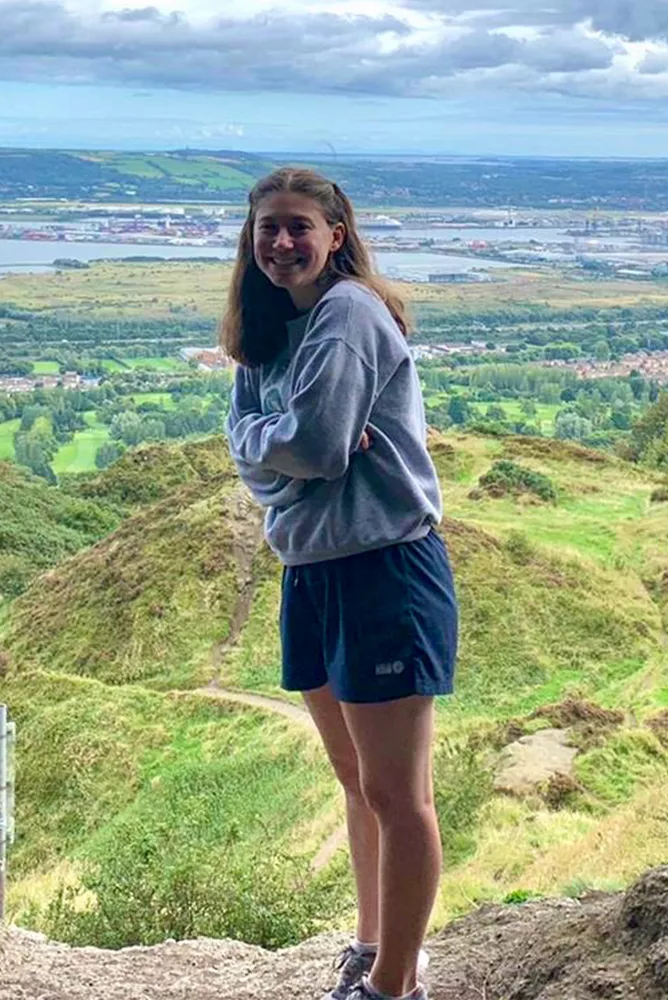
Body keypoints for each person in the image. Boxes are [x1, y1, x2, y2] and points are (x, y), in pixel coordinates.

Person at [221, 167, 458, 1000]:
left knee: (399, 794)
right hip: (310, 570)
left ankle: (395, 985)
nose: (281, 242)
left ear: (335, 235)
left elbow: (316, 450)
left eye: (297, 226)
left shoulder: (349, 314)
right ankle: (372, 947)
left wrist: (281, 448)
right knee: (357, 782)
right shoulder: (266, 335)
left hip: (382, 569)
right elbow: (264, 456)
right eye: (267, 229)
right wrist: (274, 446)